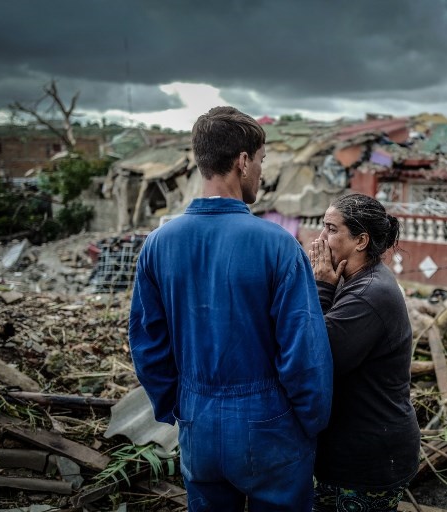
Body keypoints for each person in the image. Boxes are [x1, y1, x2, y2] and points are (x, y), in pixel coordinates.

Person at [129, 106, 333, 511]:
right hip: (269, 425)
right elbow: (304, 354)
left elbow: (147, 345)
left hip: (197, 423)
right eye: (261, 161)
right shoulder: (277, 246)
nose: (261, 172)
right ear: (242, 161)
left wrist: (180, 406)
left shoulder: (158, 244)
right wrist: (311, 423)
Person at [309, 193, 421, 512]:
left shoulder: (370, 294)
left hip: (369, 458)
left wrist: (321, 288)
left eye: (331, 229)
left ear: (361, 240)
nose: (321, 238)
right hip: (349, 450)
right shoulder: (351, 279)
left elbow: (318, 357)